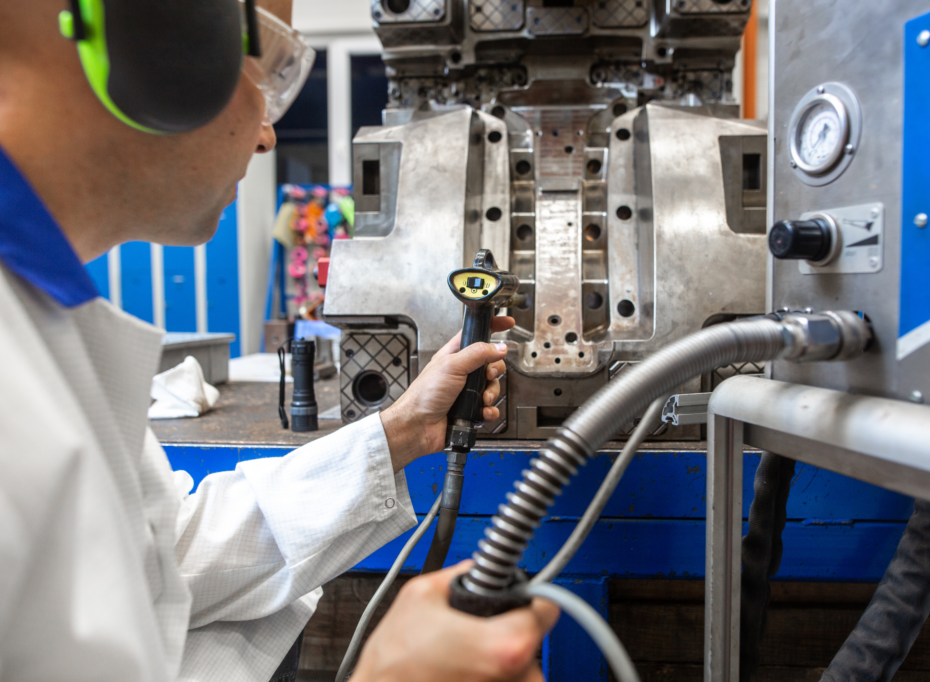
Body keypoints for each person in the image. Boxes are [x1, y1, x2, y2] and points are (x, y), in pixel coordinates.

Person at [0, 1, 558, 681]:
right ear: (154, 31)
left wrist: (402, 430)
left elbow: (165, 555)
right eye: (265, 63)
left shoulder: (38, 326)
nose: (267, 135)